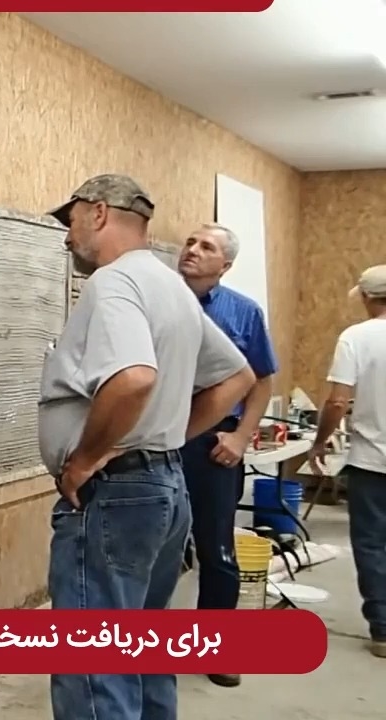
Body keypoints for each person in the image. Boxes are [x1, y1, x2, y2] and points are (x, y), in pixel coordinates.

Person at [40, 174, 256, 720]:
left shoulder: (113, 283)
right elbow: (238, 376)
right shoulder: (170, 287)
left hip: (116, 495)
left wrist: (85, 459)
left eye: (72, 222)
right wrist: (168, 435)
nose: (68, 236)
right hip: (164, 486)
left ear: (98, 213)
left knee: (94, 664)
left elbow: (133, 378)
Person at [175, 223, 279, 688]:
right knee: (151, 547)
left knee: (216, 549)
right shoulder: (159, 299)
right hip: (158, 437)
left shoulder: (243, 312)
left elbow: (262, 381)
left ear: (226, 265)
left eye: (206, 247)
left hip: (212, 445)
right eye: (190, 242)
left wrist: (241, 438)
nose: (193, 250)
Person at [307, 264, 386, 659]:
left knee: (372, 544)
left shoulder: (356, 337)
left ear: (368, 297)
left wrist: (319, 442)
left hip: (372, 460)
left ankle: (383, 630)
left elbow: (338, 400)